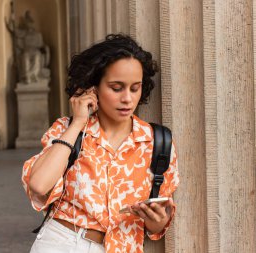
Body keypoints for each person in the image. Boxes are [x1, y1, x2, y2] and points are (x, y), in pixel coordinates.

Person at [21, 34, 180, 253]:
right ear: (93, 88)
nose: (127, 98)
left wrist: (156, 219)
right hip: (63, 243)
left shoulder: (158, 142)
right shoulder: (66, 131)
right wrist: (78, 122)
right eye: (116, 88)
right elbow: (38, 185)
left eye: (135, 88)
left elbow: (156, 227)